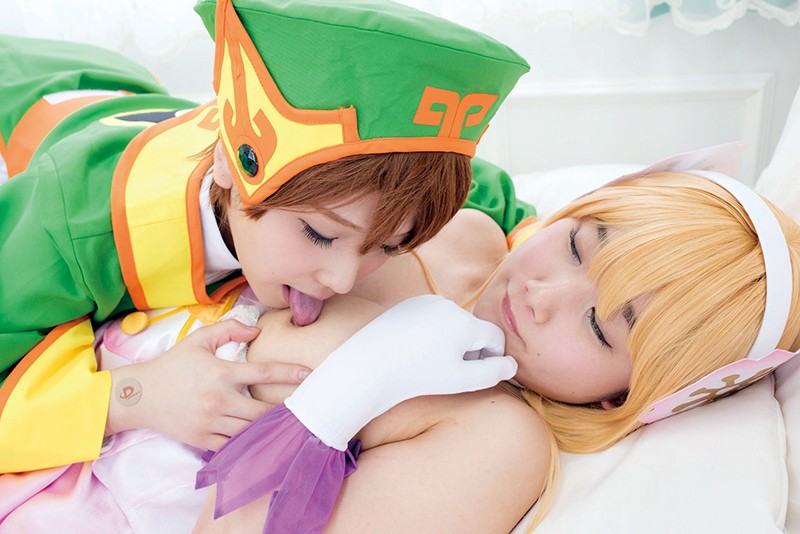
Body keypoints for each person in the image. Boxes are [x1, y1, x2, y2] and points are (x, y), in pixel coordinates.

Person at [0, 0, 531, 473]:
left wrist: (531, 236)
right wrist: (133, 397)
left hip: (128, 91)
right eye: (319, 234)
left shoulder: (368, 186)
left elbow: (488, 189)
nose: (343, 280)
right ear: (228, 164)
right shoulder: (72, 224)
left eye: (389, 246)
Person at [191, 146, 800, 532]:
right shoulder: (466, 232)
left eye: (597, 326)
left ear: (625, 394)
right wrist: (140, 391)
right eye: (575, 246)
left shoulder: (498, 443)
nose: (541, 294)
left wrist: (356, 382)